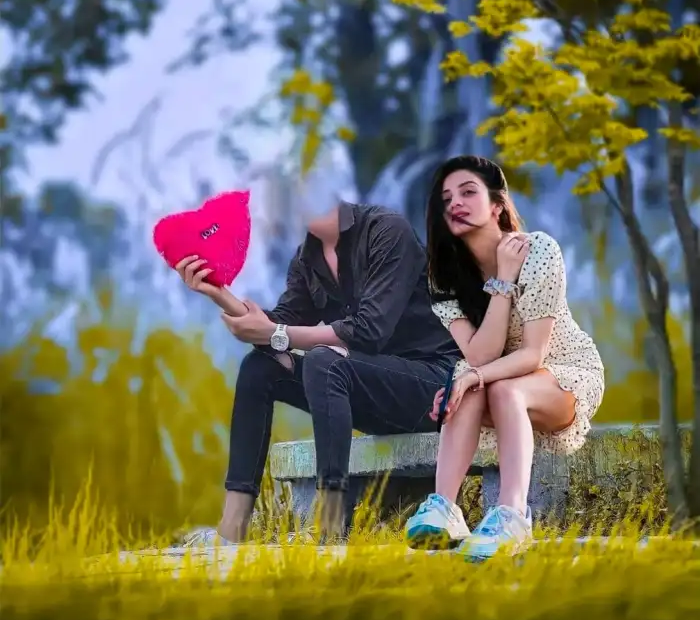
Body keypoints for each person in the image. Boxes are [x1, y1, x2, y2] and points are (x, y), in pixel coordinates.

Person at [173, 191, 461, 544]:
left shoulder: (386, 230)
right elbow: (276, 329)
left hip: (432, 388)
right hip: (373, 389)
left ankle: (331, 526)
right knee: (259, 367)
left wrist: (276, 333)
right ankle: (231, 529)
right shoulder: (307, 258)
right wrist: (218, 291)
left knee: (325, 360)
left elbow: (368, 331)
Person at [405, 155, 605, 558]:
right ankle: (445, 508)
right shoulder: (443, 277)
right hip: (499, 375)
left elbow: (532, 354)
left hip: (563, 373)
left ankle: (513, 515)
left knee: (496, 388)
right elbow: (481, 355)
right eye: (445, 198)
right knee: (471, 386)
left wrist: (472, 375)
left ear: (497, 204)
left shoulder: (539, 251)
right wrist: (501, 282)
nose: (455, 203)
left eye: (467, 192)